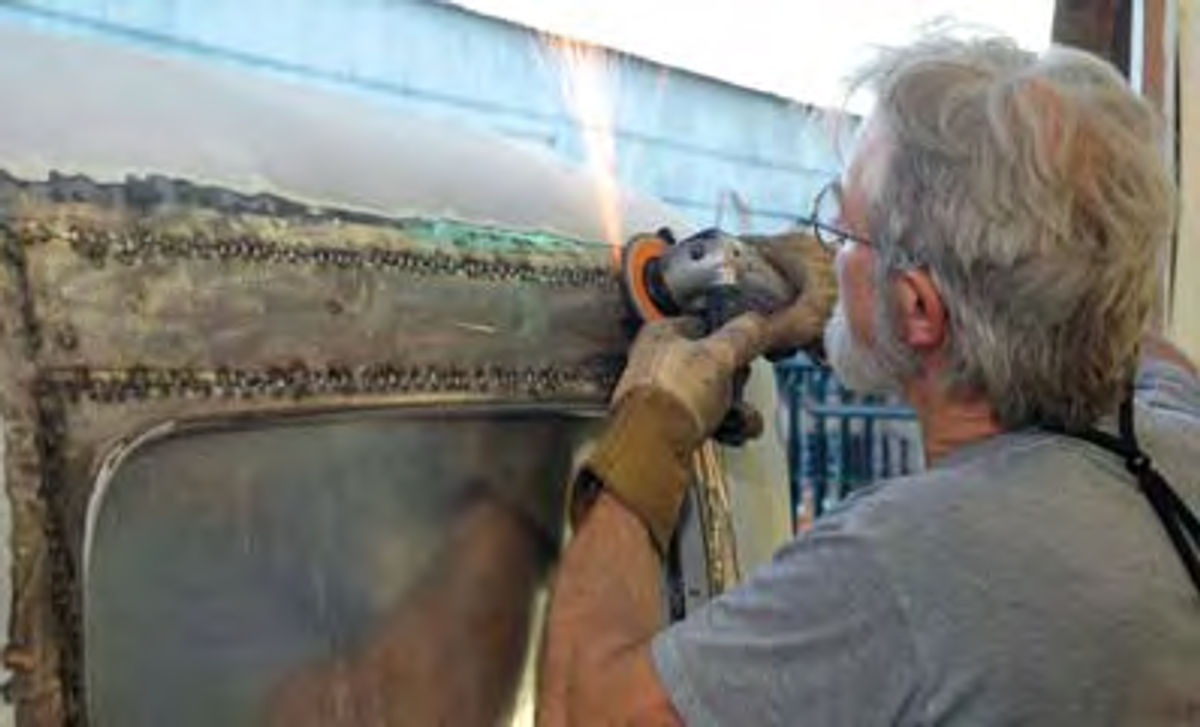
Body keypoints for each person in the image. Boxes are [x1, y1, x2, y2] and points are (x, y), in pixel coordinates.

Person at [538, 36, 1200, 725]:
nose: (831, 249)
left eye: (845, 230)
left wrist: (654, 426)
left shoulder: (901, 567)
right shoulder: (1175, 433)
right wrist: (865, 316)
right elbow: (1131, 342)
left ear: (918, 307)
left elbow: (584, 710)